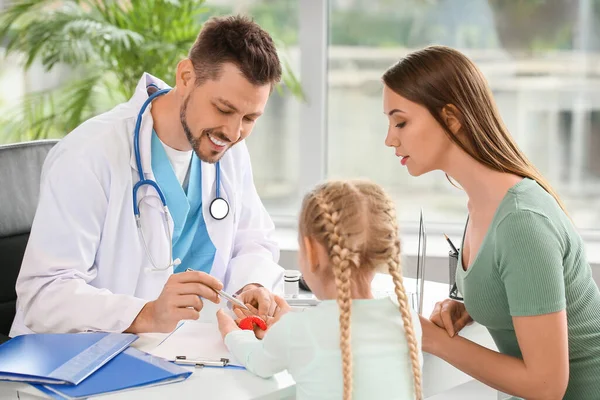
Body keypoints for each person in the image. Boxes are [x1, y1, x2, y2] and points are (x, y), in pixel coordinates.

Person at [10, 16, 285, 337]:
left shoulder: (228, 147)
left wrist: (253, 283)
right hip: (75, 360)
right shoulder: (89, 155)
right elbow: (43, 294)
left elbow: (253, 240)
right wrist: (145, 314)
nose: (235, 132)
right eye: (223, 109)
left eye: (250, 118)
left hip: (178, 350)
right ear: (186, 77)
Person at [382, 45, 600, 400]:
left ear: (451, 117)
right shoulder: (483, 201)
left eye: (401, 121)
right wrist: (471, 303)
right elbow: (512, 279)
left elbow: (547, 386)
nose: (390, 138)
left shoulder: (521, 222)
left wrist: (434, 340)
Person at [216, 180, 423, 400]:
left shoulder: (298, 331)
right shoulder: (408, 320)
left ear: (311, 250)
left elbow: (257, 361)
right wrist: (290, 323)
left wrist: (232, 333)